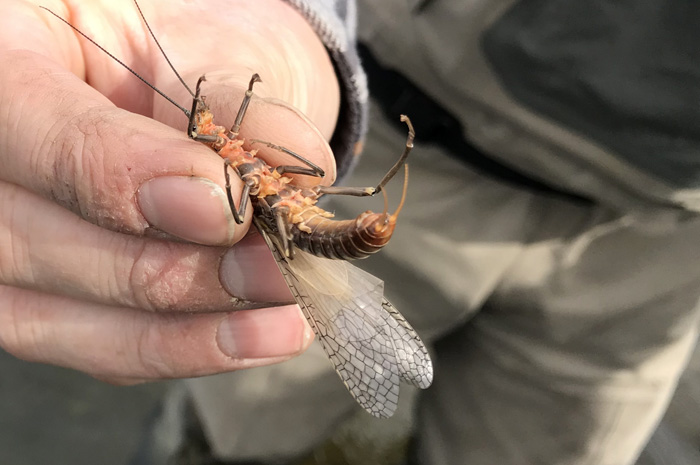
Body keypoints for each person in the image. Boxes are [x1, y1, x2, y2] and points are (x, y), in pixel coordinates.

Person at [3, 2, 700, 465]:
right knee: (241, 428)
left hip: (664, 240)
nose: (210, 133)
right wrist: (292, 17)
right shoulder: (239, 158)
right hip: (425, 124)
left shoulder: (235, 153)